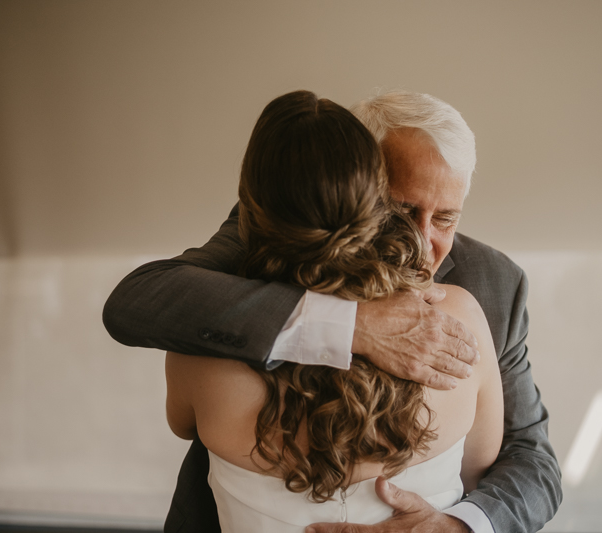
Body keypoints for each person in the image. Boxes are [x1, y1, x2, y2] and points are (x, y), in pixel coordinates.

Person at [103, 90, 562, 533]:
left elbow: (533, 461)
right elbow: (136, 301)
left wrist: (461, 525)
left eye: (445, 218)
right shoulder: (264, 229)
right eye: (402, 211)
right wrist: (352, 327)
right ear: (356, 183)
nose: (423, 243)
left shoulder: (493, 285)